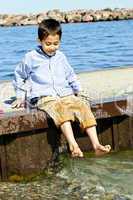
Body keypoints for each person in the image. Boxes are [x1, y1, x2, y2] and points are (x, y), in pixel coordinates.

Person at [12, 18, 111, 158]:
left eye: (56, 44)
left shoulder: (61, 57)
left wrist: (78, 90)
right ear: (39, 41)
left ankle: (96, 145)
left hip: (65, 93)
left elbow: (71, 75)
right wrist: (20, 96)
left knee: (82, 106)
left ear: (60, 41)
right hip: (44, 96)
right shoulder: (31, 57)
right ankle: (73, 145)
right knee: (61, 109)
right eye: (48, 44)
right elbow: (19, 76)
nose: (52, 47)